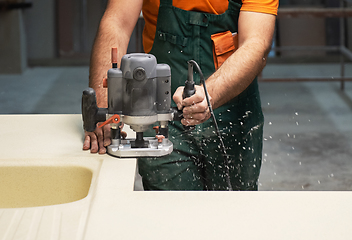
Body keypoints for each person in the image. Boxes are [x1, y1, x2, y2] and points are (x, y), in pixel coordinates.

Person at [83, 0, 278, 190]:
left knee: (232, 215)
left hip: (234, 114)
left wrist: (209, 94)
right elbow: (117, 23)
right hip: (160, 115)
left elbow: (256, 43)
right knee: (170, 215)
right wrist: (105, 107)